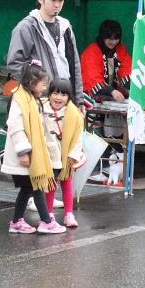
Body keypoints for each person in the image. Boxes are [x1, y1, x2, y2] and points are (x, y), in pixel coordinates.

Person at [1, 60, 66, 234]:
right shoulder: (20, 98)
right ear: (31, 83)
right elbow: (15, 126)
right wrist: (23, 151)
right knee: (35, 186)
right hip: (23, 155)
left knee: (28, 188)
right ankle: (46, 221)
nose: (45, 88)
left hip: (30, 154)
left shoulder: (31, 98)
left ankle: (16, 222)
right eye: (43, 84)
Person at [7, 0, 84, 107]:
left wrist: (79, 100)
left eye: (61, 0)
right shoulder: (26, 27)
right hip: (38, 101)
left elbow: (75, 65)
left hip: (65, 99)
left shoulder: (66, 27)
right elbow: (14, 64)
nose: (57, 5)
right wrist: (36, 87)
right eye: (53, 0)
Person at [42, 78, 84, 228]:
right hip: (49, 153)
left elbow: (78, 136)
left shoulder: (74, 114)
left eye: (64, 95)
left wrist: (74, 155)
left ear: (69, 97)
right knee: (51, 184)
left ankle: (69, 214)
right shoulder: (41, 109)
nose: (59, 97)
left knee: (67, 183)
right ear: (49, 94)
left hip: (67, 156)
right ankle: (49, 214)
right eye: (55, 93)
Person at [81, 19, 132, 104]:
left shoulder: (121, 49)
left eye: (116, 38)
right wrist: (112, 91)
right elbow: (92, 79)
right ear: (103, 36)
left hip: (116, 99)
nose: (113, 42)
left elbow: (127, 68)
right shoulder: (92, 51)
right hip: (92, 100)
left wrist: (130, 87)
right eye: (110, 38)